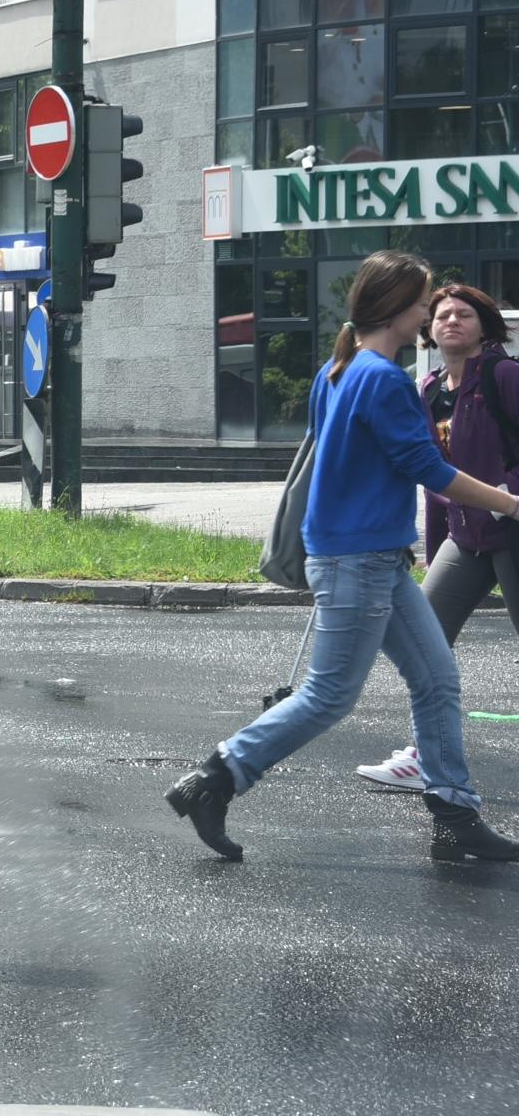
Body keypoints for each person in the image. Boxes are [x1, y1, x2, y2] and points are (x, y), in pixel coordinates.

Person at [166, 250, 519, 864]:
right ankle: (214, 780)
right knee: (329, 695)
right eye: (419, 303)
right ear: (393, 307)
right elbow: (427, 469)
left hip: (370, 555)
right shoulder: (379, 377)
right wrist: (510, 504)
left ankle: (456, 817)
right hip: (356, 558)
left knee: (436, 681)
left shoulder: (340, 370)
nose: (425, 315)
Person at [357, 283, 519, 790]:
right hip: (465, 537)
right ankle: (423, 757)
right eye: (442, 313)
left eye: (463, 314)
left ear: (484, 324)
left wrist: (508, 495)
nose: (451, 320)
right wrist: (434, 546)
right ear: (428, 328)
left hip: (512, 528)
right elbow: (434, 475)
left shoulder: (504, 375)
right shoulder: (427, 389)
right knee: (425, 639)